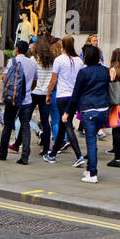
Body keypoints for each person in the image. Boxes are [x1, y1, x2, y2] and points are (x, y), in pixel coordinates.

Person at [73, 44, 112, 183]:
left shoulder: (84, 72)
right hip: (103, 110)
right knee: (92, 140)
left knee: (91, 142)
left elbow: (76, 94)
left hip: (89, 110)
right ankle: (89, 169)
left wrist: (67, 112)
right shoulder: (106, 71)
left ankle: (93, 173)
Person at [0, 40, 37, 164]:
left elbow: (4, 78)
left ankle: (3, 152)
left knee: (7, 125)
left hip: (13, 99)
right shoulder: (33, 64)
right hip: (27, 99)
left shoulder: (12, 61)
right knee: (25, 126)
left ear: (17, 49)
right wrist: (27, 90)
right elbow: (34, 82)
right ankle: (25, 156)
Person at [45, 36, 83, 165]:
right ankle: (53, 154)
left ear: (63, 46)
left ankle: (79, 156)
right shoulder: (79, 60)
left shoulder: (59, 60)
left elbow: (53, 80)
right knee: (63, 125)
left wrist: (48, 94)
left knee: (67, 125)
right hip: (74, 97)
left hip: (62, 96)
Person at [28, 35, 55, 152]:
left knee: (25, 118)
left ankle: (20, 141)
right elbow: (52, 78)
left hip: (34, 92)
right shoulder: (51, 60)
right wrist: (49, 92)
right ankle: (46, 147)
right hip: (45, 93)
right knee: (45, 121)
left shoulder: (33, 60)